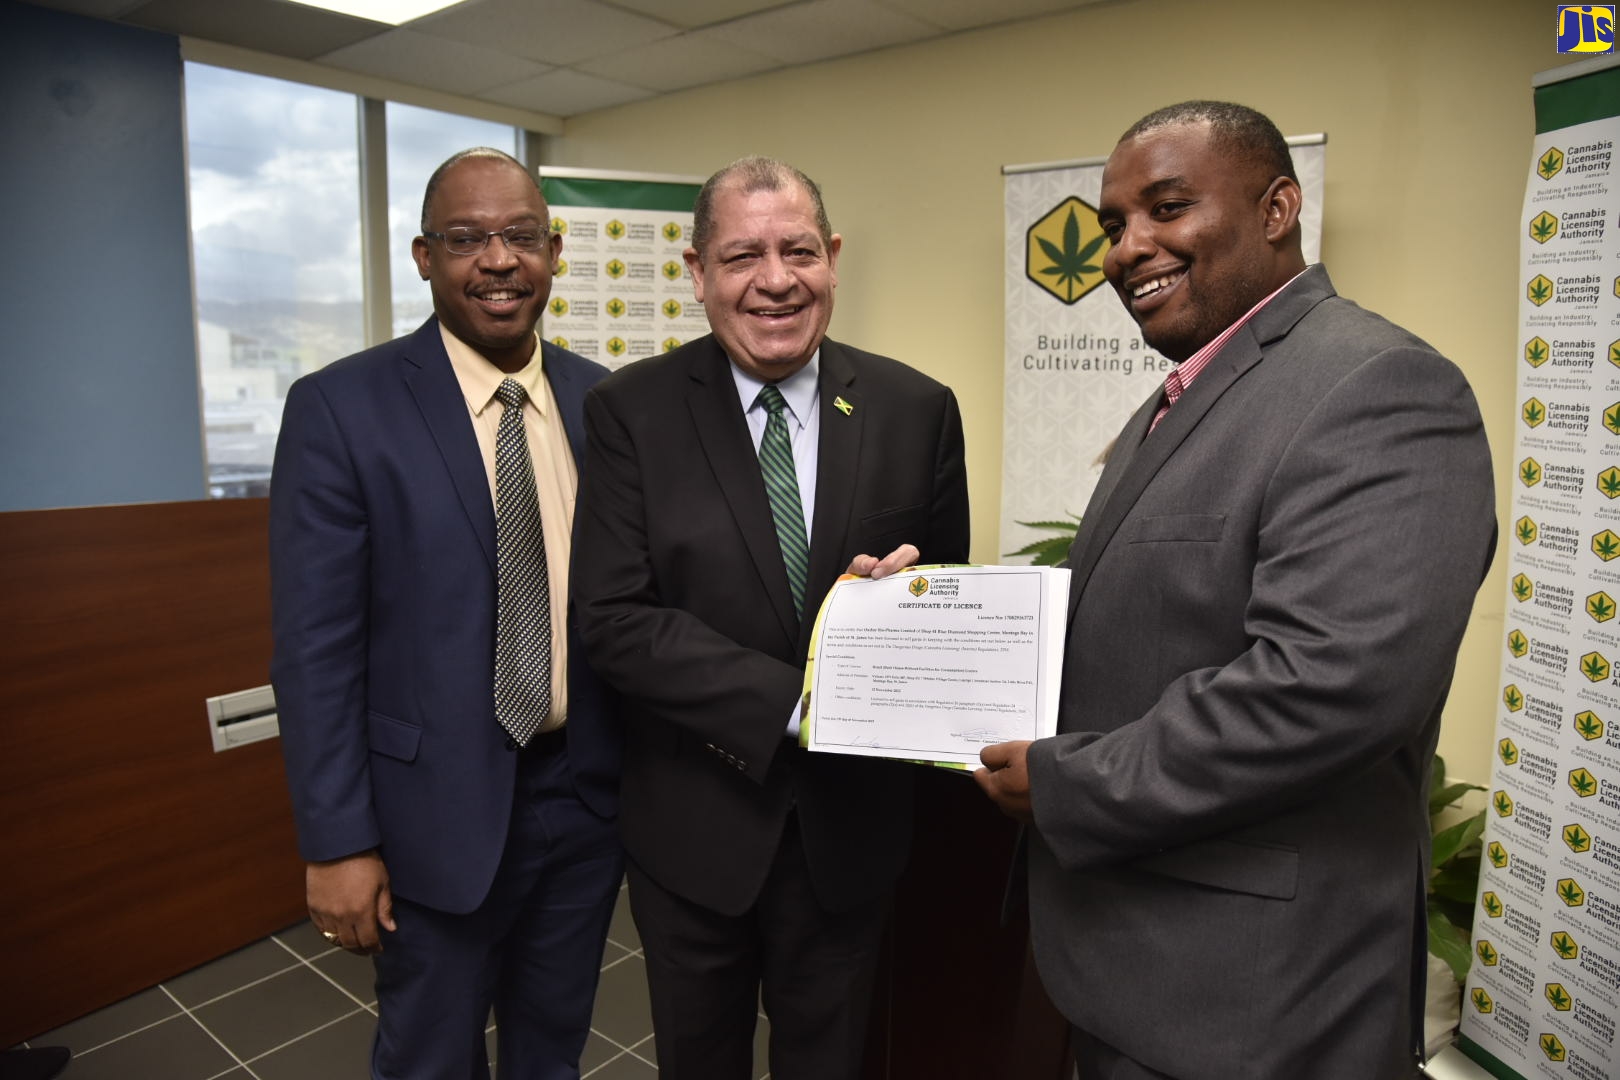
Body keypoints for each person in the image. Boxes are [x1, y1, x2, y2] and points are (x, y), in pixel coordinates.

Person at [974, 102, 1496, 1080]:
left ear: (1278, 207)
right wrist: (918, 619)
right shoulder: (1178, 400)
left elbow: (1326, 685)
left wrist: (1067, 784)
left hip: (1255, 1006)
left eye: (1167, 208)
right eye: (1114, 225)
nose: (1129, 248)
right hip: (1136, 964)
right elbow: (1143, 624)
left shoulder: (1379, 388)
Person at [570, 156, 969, 1080]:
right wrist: (807, 700)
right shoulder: (630, 413)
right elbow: (618, 620)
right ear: (697, 271)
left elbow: (944, 602)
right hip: (695, 830)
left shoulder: (917, 409)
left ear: (832, 258)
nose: (776, 280)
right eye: (743, 255)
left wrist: (902, 609)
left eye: (798, 251)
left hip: (849, 833)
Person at [269, 147, 621, 1080]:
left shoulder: (609, 403)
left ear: (556, 251)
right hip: (431, 815)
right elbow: (316, 649)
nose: (498, 260)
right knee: (429, 1057)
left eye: (520, 237)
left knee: (553, 1050)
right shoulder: (342, 408)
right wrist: (337, 841)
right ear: (426, 257)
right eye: (467, 239)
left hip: (583, 802)